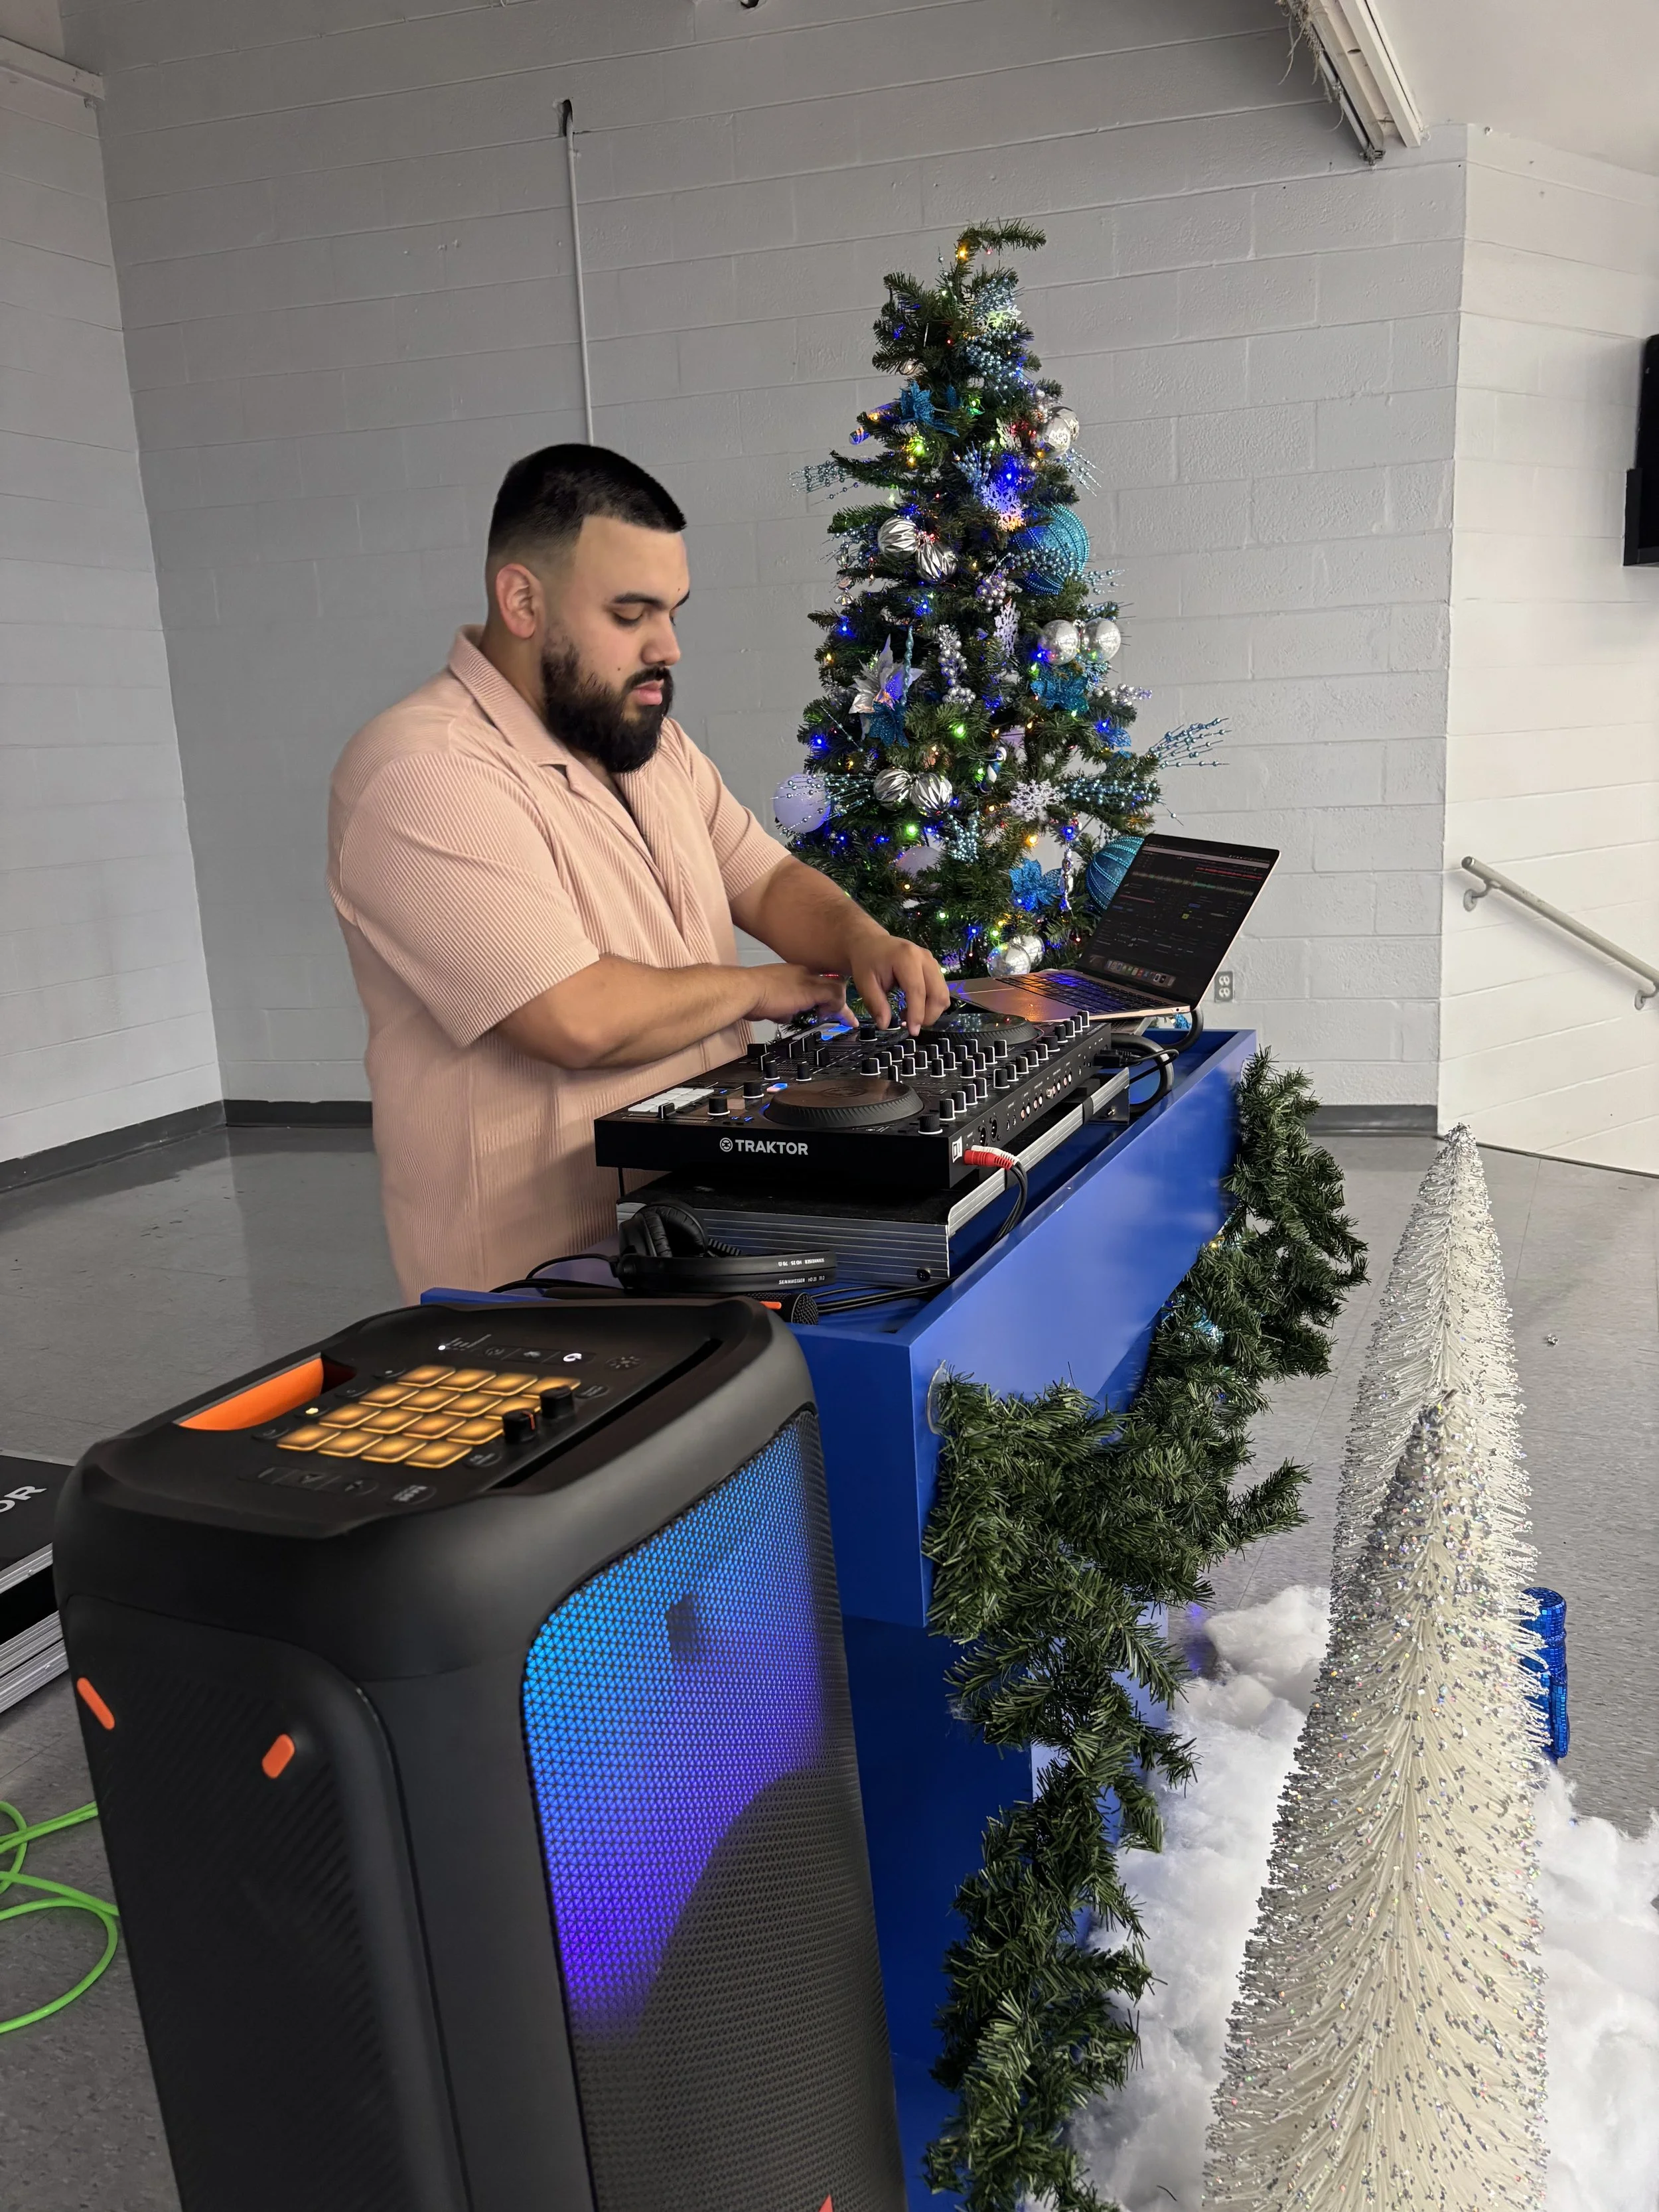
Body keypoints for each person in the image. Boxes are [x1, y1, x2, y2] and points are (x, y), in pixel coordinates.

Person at [329, 443, 949, 1298]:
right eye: (631, 615)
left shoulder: (645, 742)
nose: (669, 646)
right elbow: (573, 1017)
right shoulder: (422, 771)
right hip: (536, 1284)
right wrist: (756, 989)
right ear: (521, 600)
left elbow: (764, 880)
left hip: (685, 1231)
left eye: (673, 611)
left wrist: (858, 935)